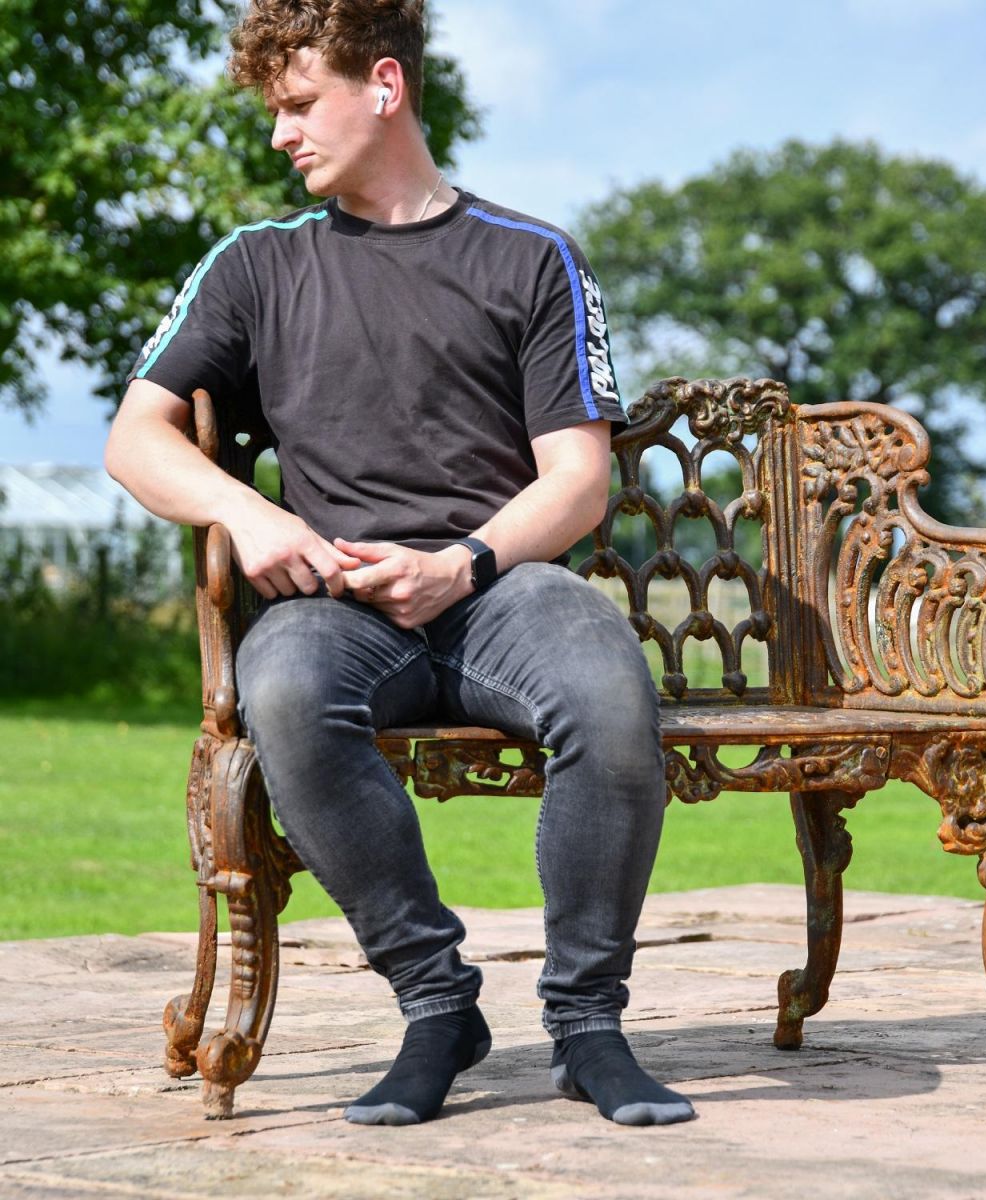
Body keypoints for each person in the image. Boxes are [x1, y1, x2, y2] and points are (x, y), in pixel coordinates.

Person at [106, 0, 694, 1128]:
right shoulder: (252, 266)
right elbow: (136, 437)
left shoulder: (534, 258)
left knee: (611, 694)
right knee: (283, 689)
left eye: (298, 103)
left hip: (497, 589)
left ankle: (586, 1027)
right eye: (272, 109)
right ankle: (437, 1006)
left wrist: (461, 564)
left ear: (383, 85)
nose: (280, 132)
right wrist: (259, 520)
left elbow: (576, 479)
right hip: (337, 602)